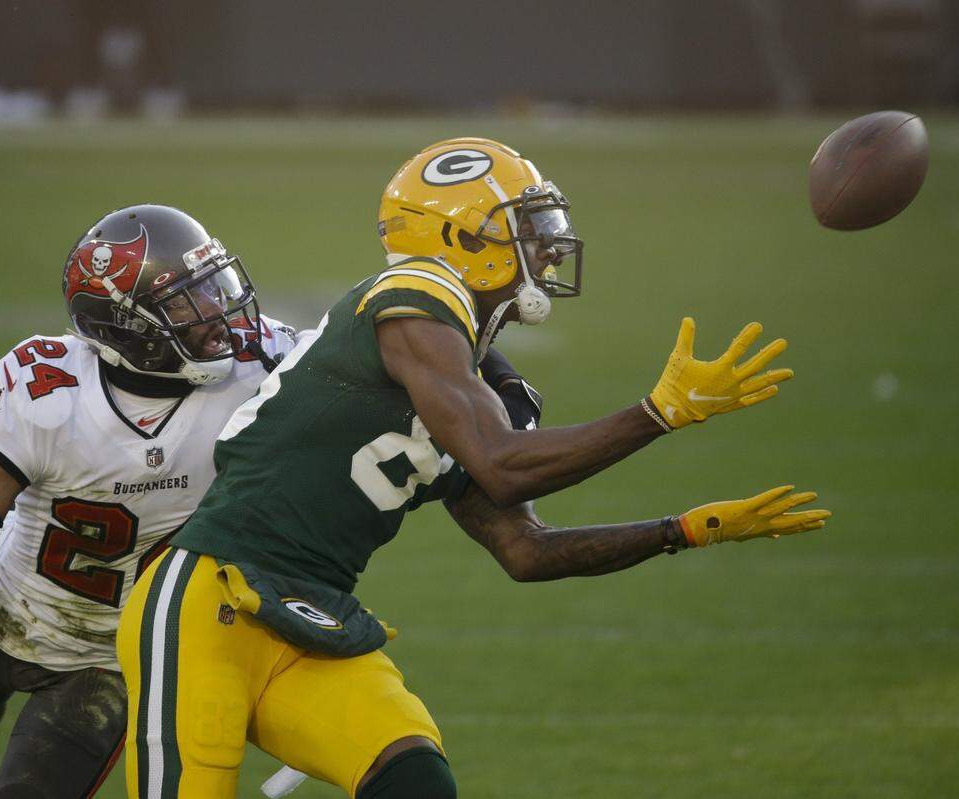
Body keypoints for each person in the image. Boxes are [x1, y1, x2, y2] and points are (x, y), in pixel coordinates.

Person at [118, 139, 831, 799]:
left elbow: (525, 548)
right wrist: (657, 413)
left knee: (417, 781)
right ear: (461, 239)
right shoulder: (416, 301)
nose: (548, 246)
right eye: (525, 226)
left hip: (308, 619)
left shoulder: (476, 376)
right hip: (209, 604)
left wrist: (683, 529)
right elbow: (503, 465)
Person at [0, 204, 301, 798]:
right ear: (125, 325)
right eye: (186, 300)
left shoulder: (260, 361)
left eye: (212, 285)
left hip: (113, 654)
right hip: (2, 613)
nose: (216, 313)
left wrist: (469, 362)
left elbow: (378, 355)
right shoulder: (47, 393)